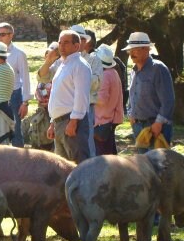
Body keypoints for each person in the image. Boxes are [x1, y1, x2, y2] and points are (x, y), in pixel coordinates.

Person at [39, 30, 91, 163]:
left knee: (78, 165)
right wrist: (52, 123)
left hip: (71, 121)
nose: (61, 46)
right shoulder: (62, 64)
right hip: (59, 122)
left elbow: (81, 96)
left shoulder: (80, 65)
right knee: (62, 167)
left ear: (76, 46)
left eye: (66, 43)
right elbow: (57, 94)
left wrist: (73, 122)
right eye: (60, 43)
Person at [122, 32, 175, 153]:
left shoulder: (158, 69)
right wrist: (131, 115)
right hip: (138, 126)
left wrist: (158, 123)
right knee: (144, 167)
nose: (131, 54)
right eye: (130, 50)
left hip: (156, 126)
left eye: (135, 50)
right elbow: (132, 96)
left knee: (158, 166)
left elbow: (168, 100)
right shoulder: (134, 71)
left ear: (146, 49)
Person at [0, 22, 32, 147]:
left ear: (11, 35)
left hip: (14, 96)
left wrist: (25, 102)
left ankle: (19, 162)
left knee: (16, 131)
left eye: (2, 34)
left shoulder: (19, 54)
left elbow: (25, 79)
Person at [71, 25, 103, 157]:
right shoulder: (61, 62)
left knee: (86, 144)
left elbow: (96, 83)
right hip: (65, 108)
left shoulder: (94, 60)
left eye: (81, 39)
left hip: (85, 108)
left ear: (85, 42)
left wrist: (76, 80)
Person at [93, 44, 124, 155]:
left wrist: (87, 95)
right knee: (110, 152)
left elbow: (101, 100)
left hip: (102, 121)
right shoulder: (113, 73)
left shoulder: (105, 75)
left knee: (102, 156)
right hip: (110, 120)